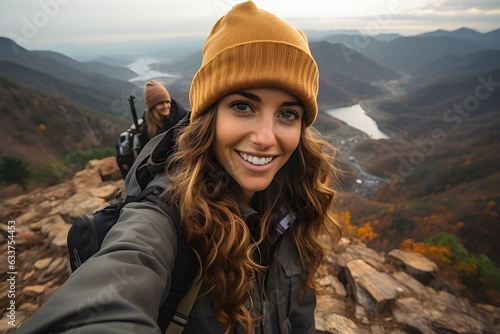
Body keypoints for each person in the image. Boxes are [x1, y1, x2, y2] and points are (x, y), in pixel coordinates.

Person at [15, 1, 341, 333]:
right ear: (209, 118)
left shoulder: (295, 203)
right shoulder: (165, 217)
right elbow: (117, 280)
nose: (265, 137)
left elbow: (299, 315)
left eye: (288, 113)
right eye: (243, 106)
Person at [116, 80, 188, 178]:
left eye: (167, 102)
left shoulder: (182, 119)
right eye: (161, 103)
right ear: (152, 106)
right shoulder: (145, 129)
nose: (166, 106)